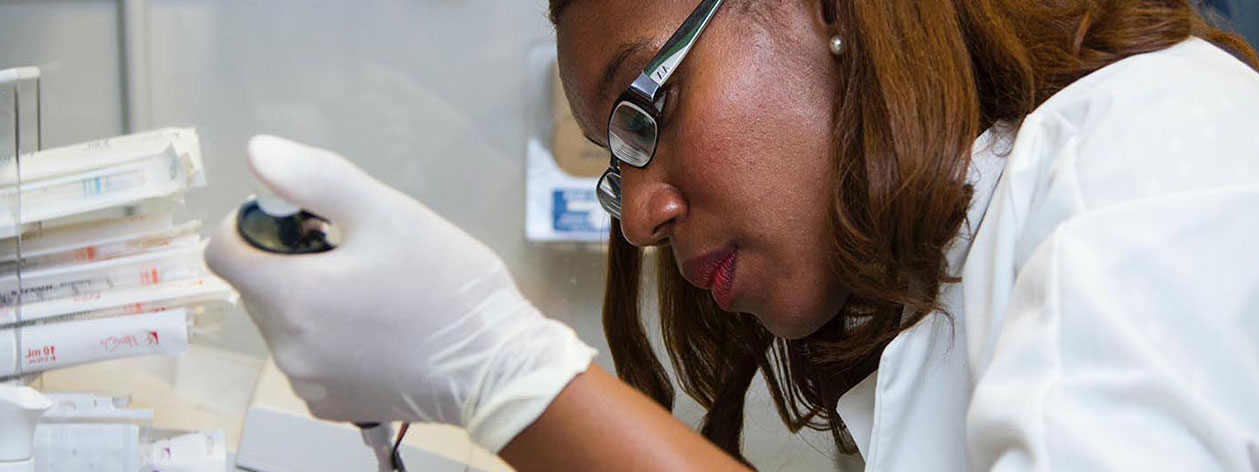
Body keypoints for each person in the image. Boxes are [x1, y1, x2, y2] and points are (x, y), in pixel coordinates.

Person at [205, 0, 1259, 470]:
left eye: (640, 108)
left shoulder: (1153, 153)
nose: (635, 212)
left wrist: (504, 373)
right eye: (613, 162)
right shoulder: (931, 301)